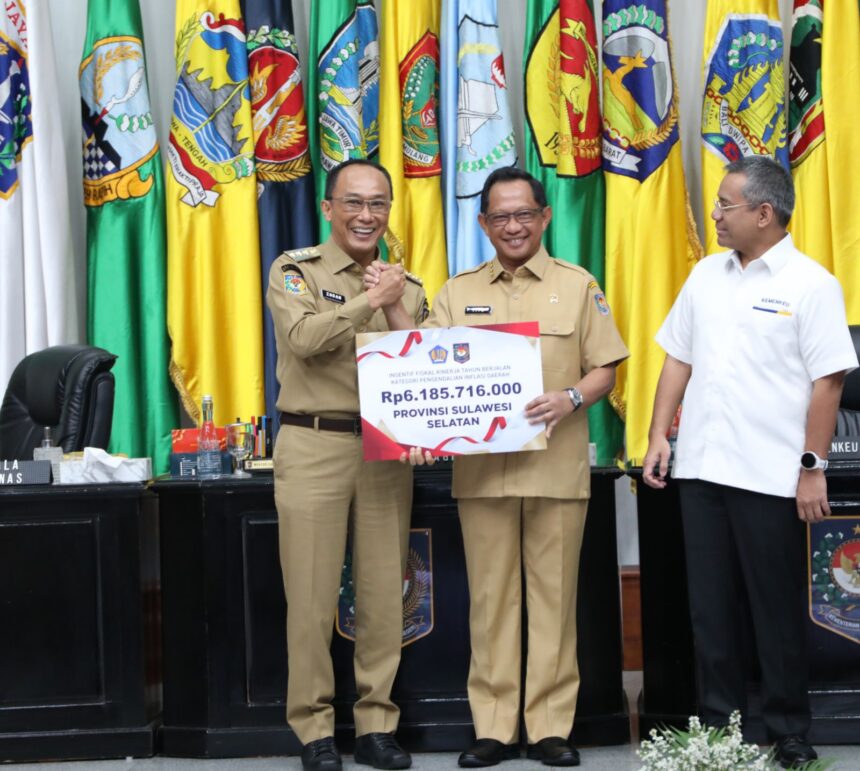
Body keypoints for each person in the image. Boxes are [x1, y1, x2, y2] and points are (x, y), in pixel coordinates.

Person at [368, 167, 629, 767]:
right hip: (482, 475)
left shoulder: (578, 284)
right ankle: (493, 726)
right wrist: (389, 310)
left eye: (524, 215)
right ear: (483, 223)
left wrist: (568, 400)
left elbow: (605, 369)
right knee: (490, 603)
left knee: (554, 601)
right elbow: (421, 360)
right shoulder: (459, 291)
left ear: (544, 217)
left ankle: (549, 729)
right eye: (500, 217)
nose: (513, 226)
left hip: (556, 472)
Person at [642, 156, 858, 769]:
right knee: (709, 609)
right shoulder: (706, 276)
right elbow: (677, 360)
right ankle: (720, 728)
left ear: (764, 213)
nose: (715, 214)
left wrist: (812, 466)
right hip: (703, 469)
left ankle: (790, 729)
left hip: (769, 475)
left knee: (775, 608)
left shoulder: (811, 284)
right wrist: (661, 435)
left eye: (725, 205)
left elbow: (829, 382)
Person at [266, 159, 427, 771]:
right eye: (354, 203)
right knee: (310, 596)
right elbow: (304, 340)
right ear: (329, 208)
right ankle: (312, 729)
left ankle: (376, 726)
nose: (367, 216)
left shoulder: (405, 285)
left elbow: (423, 366)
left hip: (385, 449)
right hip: (314, 444)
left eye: (379, 204)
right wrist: (369, 300)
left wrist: (393, 304)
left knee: (385, 593)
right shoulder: (294, 269)